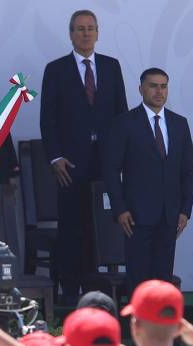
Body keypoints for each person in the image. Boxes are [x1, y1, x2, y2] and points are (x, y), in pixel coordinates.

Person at [40, 10, 128, 304]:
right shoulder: (56, 69)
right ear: (71, 34)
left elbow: (120, 115)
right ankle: (69, 288)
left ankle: (99, 289)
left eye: (91, 28)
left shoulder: (111, 67)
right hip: (70, 163)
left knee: (102, 225)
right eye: (80, 29)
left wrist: (121, 157)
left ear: (98, 32)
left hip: (105, 162)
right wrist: (55, 158)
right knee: (72, 225)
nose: (86, 33)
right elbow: (48, 119)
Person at [102, 68, 193, 292]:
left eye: (163, 86)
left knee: (163, 280)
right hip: (136, 216)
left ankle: (161, 327)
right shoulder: (124, 122)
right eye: (153, 86)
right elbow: (111, 169)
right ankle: (138, 327)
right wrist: (120, 209)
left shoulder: (179, 123)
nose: (159, 91)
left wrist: (185, 210)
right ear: (141, 89)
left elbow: (188, 170)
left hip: (169, 215)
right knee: (139, 278)